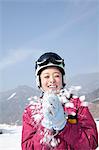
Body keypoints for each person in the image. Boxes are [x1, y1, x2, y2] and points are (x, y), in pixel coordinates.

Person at [21, 52, 98, 150]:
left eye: (56, 75)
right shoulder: (31, 111)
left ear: (63, 79)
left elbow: (91, 143)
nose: (52, 80)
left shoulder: (77, 105)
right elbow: (27, 147)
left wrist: (64, 126)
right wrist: (46, 128)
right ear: (39, 81)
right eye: (46, 76)